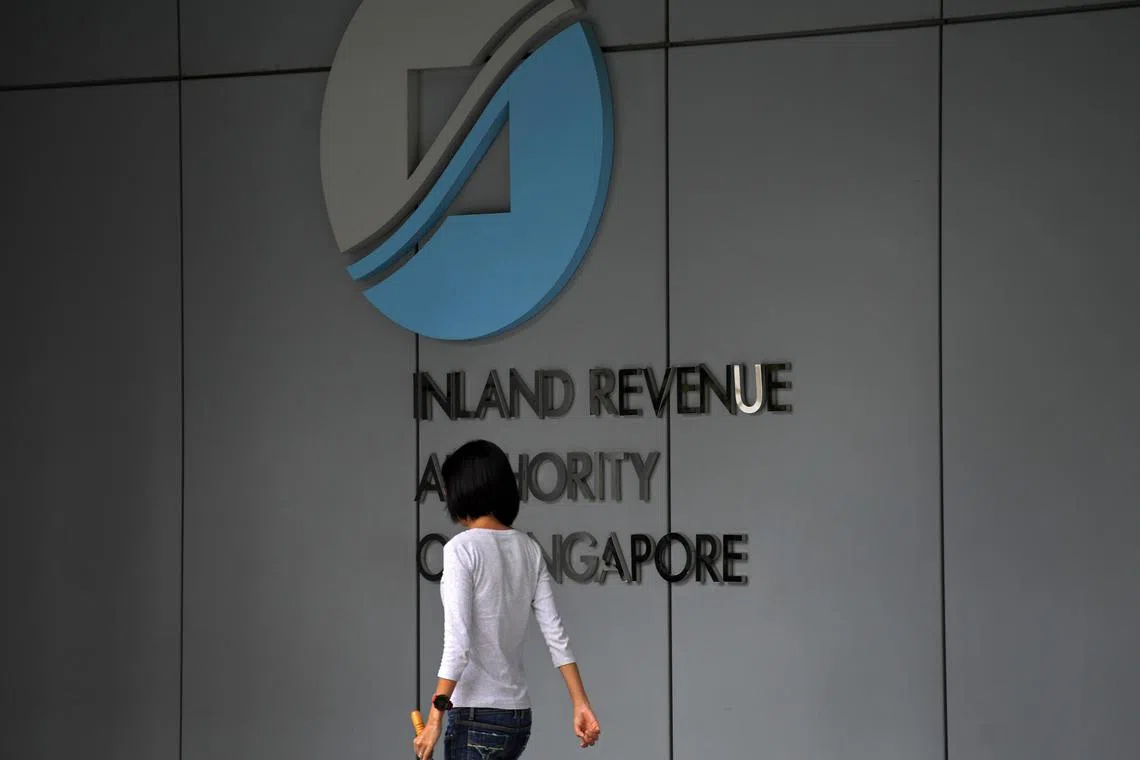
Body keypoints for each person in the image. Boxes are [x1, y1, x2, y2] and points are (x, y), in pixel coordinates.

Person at [413, 439, 601, 760]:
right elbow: (555, 634)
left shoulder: (461, 549)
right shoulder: (528, 549)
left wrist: (434, 720)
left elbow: (458, 646)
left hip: (475, 716)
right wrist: (580, 703)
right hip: (517, 718)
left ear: (463, 489)